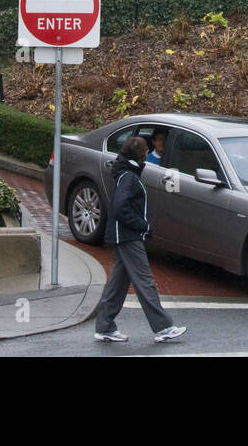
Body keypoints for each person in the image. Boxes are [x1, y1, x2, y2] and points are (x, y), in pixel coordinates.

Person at [93, 136, 187, 344]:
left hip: (123, 235)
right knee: (145, 281)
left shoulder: (127, 173)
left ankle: (105, 326)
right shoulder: (128, 176)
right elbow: (119, 208)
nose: (148, 151)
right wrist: (142, 225)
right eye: (146, 149)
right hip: (128, 236)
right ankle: (163, 327)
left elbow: (120, 207)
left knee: (118, 284)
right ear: (140, 154)